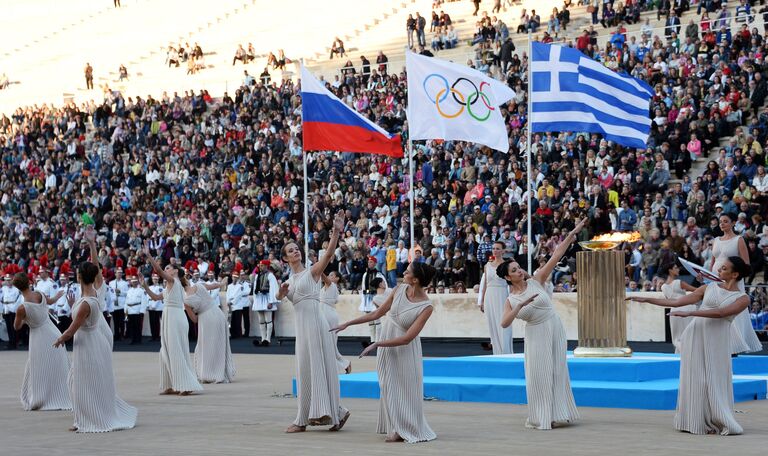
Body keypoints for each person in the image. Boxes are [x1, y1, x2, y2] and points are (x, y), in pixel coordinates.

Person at [630, 256, 751, 435]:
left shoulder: (743, 298)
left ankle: (717, 418)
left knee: (714, 378)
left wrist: (692, 313)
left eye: (724, 269)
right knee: (696, 377)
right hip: (696, 335)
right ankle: (695, 420)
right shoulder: (708, 288)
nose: (719, 271)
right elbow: (676, 302)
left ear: (735, 274)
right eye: (720, 268)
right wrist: (647, 300)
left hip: (717, 340)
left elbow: (722, 313)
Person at [332, 262, 438, 443]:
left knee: (405, 388)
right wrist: (348, 323)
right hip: (386, 342)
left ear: (416, 279)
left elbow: (407, 338)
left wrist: (377, 343)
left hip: (404, 350)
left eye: (408, 271)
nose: (403, 271)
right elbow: (377, 314)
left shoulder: (426, 307)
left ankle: (403, 428)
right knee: (387, 385)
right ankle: (395, 425)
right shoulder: (399, 289)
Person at [496, 218, 585, 430]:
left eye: (518, 267)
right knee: (539, 374)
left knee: (557, 370)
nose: (520, 271)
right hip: (535, 335)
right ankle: (541, 415)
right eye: (515, 270)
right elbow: (504, 324)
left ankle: (557, 413)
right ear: (508, 278)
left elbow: (557, 255)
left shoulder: (537, 279)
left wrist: (573, 232)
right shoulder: (511, 300)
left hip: (553, 327)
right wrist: (519, 307)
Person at [278, 212, 350, 433]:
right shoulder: (288, 281)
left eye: (296, 248)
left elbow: (328, 255)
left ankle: (310, 419)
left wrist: (336, 232)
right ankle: (335, 413)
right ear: (285, 258)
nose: (295, 251)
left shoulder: (312, 273)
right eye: (291, 250)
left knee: (321, 367)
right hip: (303, 329)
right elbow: (279, 298)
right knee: (306, 369)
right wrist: (280, 293)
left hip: (316, 325)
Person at [53, 262, 137, 433]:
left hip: (88, 344)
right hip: (89, 341)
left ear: (80, 277)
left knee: (81, 383)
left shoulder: (87, 301)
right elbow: (80, 318)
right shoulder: (91, 295)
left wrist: (60, 338)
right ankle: (81, 418)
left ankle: (86, 419)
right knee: (76, 381)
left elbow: (72, 329)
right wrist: (72, 307)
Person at [140, 242, 202, 395]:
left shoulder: (174, 281)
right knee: (165, 350)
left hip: (175, 317)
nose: (166, 269)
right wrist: (145, 287)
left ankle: (186, 385)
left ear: (175, 271)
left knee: (176, 350)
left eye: (169, 268)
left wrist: (149, 255)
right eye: (166, 267)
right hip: (169, 317)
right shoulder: (169, 287)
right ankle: (170, 384)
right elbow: (155, 297)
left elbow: (159, 271)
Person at [12, 273, 71, 411]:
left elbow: (16, 327)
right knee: (59, 365)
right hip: (53, 332)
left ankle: (43, 396)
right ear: (29, 282)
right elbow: (51, 301)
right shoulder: (39, 294)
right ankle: (65, 393)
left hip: (37, 337)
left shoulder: (22, 308)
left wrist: (25, 319)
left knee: (40, 368)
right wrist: (58, 295)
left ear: (18, 288)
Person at [709, 213, 763, 353]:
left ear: (733, 223)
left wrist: (735, 279)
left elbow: (746, 263)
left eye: (725, 221)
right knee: (718, 308)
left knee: (733, 309)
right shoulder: (716, 240)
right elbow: (713, 261)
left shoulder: (739, 239)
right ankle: (719, 342)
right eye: (720, 221)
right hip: (716, 279)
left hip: (733, 280)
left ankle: (735, 345)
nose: (722, 224)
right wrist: (708, 276)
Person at [183, 277, 234, 384]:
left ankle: (208, 373)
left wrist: (197, 311)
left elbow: (194, 320)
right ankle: (221, 372)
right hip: (218, 314)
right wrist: (221, 283)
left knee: (205, 347)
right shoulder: (199, 285)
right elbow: (214, 285)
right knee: (219, 345)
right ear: (186, 280)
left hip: (205, 319)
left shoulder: (186, 300)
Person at [479, 242, 513, 354]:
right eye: (493, 248)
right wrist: (482, 301)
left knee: (503, 324)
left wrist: (513, 300)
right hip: (489, 296)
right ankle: (497, 352)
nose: (495, 250)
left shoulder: (508, 265)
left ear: (503, 251)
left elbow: (512, 284)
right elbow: (485, 284)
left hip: (502, 295)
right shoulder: (487, 266)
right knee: (492, 325)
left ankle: (506, 352)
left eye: (498, 249)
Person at [660, 262, 698, 351]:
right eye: (676, 268)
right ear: (670, 270)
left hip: (673, 311)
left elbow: (668, 300)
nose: (678, 269)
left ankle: (680, 355)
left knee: (677, 337)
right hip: (686, 308)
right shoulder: (679, 282)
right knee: (689, 334)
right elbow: (696, 291)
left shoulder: (663, 286)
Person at [320, 272, 351, 374]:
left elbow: (322, 276)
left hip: (329, 314)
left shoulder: (332, 286)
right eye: (330, 275)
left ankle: (343, 364)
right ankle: (340, 364)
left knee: (330, 343)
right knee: (324, 342)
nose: (330, 276)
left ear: (337, 279)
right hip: (322, 313)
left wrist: (317, 266)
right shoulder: (322, 288)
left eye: (332, 275)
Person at [360, 257, 387, 346]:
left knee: (377, 320)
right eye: (368, 262)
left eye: (371, 262)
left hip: (376, 297)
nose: (369, 263)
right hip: (367, 299)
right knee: (370, 321)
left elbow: (384, 286)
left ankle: (378, 340)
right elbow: (363, 287)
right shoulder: (365, 274)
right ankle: (372, 340)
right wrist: (363, 300)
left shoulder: (379, 275)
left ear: (375, 263)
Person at [252, 260, 279, 346]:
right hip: (259, 298)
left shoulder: (270, 276)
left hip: (267, 298)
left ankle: (268, 339)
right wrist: (255, 300)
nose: (260, 267)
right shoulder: (257, 276)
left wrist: (271, 301)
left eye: (262, 265)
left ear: (267, 266)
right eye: (260, 265)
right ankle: (263, 338)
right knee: (261, 320)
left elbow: (273, 289)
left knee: (268, 319)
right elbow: (255, 289)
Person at [2, 274, 23, 349]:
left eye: (10, 280)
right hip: (6, 309)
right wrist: (3, 309)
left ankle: (15, 343)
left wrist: (14, 309)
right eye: (7, 280)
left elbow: (19, 300)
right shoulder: (3, 288)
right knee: (8, 328)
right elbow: (2, 299)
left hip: (14, 309)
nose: (8, 282)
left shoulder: (17, 289)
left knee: (14, 327)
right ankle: (11, 342)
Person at [124, 276, 146, 345]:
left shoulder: (141, 290)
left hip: (137, 310)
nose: (134, 283)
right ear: (131, 283)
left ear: (137, 282)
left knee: (138, 326)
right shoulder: (129, 291)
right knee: (131, 326)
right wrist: (125, 310)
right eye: (133, 282)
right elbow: (126, 301)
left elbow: (144, 301)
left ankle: (138, 340)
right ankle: (133, 339)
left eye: (135, 282)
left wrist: (142, 311)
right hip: (130, 310)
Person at [109, 268, 128, 341]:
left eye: (120, 273)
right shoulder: (111, 283)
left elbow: (127, 293)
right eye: (118, 273)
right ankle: (116, 335)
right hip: (114, 304)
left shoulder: (125, 283)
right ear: (115, 274)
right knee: (115, 321)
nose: (119, 274)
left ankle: (122, 335)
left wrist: (120, 292)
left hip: (121, 303)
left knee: (122, 321)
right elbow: (110, 293)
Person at [230, 273, 251, 339]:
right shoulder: (237, 284)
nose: (242, 276)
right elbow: (234, 292)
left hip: (245, 303)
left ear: (245, 276)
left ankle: (246, 333)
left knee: (246, 319)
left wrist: (238, 294)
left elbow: (247, 292)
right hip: (238, 303)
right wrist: (238, 294)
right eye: (241, 275)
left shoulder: (247, 283)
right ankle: (238, 333)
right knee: (237, 319)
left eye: (243, 275)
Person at [146, 273, 164, 341]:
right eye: (154, 279)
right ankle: (153, 336)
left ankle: (157, 336)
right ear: (152, 279)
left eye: (156, 279)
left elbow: (159, 297)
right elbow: (147, 297)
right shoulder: (149, 287)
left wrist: (154, 306)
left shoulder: (160, 288)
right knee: (152, 322)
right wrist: (148, 305)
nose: (155, 280)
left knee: (157, 322)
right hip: (150, 306)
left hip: (158, 307)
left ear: (158, 279)